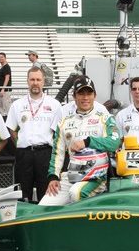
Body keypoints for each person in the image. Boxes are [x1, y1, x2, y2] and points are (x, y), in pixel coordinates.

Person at [41, 75, 121, 206]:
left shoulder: (105, 118)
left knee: (76, 193)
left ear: (94, 95)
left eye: (89, 93)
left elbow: (114, 142)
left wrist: (87, 141)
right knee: (44, 207)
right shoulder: (64, 122)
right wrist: (53, 177)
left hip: (95, 177)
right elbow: (57, 153)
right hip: (71, 176)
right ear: (74, 96)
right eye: (81, 93)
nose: (85, 97)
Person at [6, 66, 63, 202]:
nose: (35, 83)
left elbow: (57, 133)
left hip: (45, 154)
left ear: (43, 82)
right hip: (24, 155)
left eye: (38, 79)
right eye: (32, 79)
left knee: (47, 194)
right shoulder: (17, 105)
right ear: (27, 81)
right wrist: (21, 143)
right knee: (22, 195)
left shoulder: (54, 105)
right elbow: (12, 129)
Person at [0, 52, 12, 117]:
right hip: (0, 91)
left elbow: (7, 78)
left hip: (5, 91)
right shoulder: (2, 67)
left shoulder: (6, 67)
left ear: (5, 58)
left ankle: (10, 123)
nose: (0, 58)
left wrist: (3, 89)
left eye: (2, 57)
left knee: (6, 107)